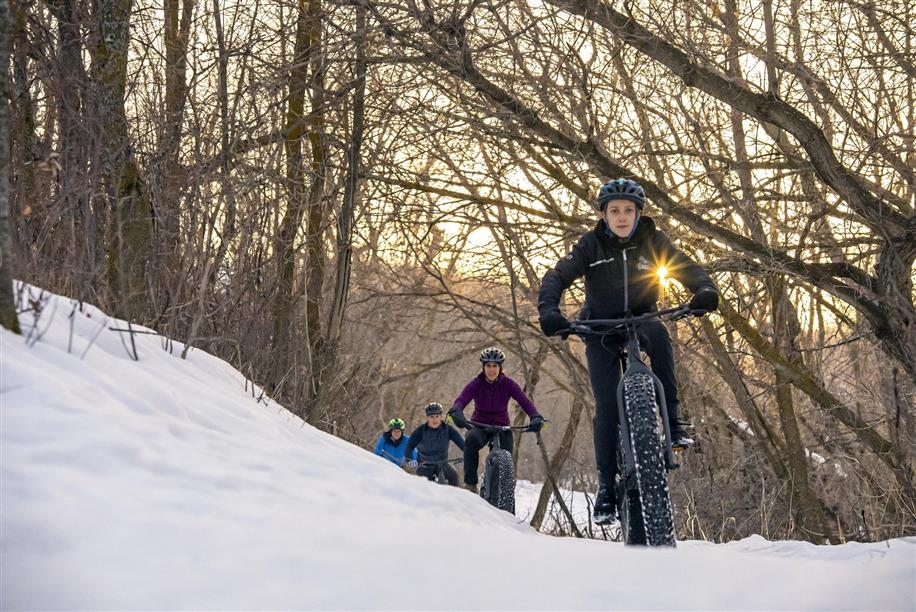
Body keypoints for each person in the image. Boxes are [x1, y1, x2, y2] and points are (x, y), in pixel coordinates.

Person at [537, 178, 719, 524]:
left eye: (628, 211)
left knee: (659, 338)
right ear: (604, 215)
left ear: (638, 214)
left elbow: (684, 265)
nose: (622, 217)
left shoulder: (652, 240)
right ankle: (606, 488)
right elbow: (557, 277)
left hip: (642, 317)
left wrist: (705, 288)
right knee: (606, 405)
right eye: (614, 211)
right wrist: (549, 311)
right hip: (600, 326)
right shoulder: (591, 245)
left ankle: (674, 421)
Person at [447, 347, 545, 492]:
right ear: (483, 367)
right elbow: (462, 399)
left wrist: (535, 416)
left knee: (506, 459)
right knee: (471, 440)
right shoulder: (476, 384)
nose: (491, 370)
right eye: (488, 366)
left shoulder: (508, 384)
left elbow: (524, 401)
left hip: (502, 426)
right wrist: (457, 411)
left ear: (500, 367)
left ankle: (502, 492)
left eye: (495, 366)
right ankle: (470, 485)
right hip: (480, 424)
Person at [404, 403, 466, 486]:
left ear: (441, 416)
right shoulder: (420, 431)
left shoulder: (448, 429)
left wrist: (468, 454)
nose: (435, 420)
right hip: (425, 465)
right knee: (423, 484)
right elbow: (409, 446)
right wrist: (410, 459)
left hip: (443, 464)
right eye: (432, 417)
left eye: (437, 416)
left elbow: (463, 444)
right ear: (427, 417)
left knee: (454, 477)